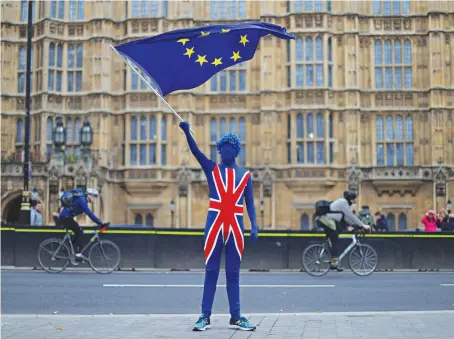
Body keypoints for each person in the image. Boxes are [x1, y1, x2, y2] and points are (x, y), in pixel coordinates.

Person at [179, 121, 258, 332]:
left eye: (229, 148)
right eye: (222, 149)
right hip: (214, 224)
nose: (225, 151)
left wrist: (255, 225)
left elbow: (249, 202)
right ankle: (205, 315)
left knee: (233, 273)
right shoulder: (212, 169)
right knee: (211, 271)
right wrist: (187, 133)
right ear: (219, 151)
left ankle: (236, 316)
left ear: (236, 151)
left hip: (236, 226)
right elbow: (196, 152)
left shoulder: (245, 176)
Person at [315, 190, 371, 271]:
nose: (353, 201)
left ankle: (334, 261)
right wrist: (363, 225)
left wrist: (356, 226)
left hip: (329, 221)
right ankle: (334, 263)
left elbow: (346, 218)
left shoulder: (343, 203)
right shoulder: (343, 203)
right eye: (353, 199)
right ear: (349, 198)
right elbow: (350, 215)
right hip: (326, 221)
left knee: (336, 239)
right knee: (335, 240)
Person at [59, 188, 107, 264]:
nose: (95, 199)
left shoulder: (82, 200)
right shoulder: (82, 200)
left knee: (79, 232)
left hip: (66, 218)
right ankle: (78, 254)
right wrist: (99, 222)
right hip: (65, 218)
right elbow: (89, 213)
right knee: (80, 232)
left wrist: (99, 222)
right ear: (89, 195)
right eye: (94, 197)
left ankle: (66, 247)